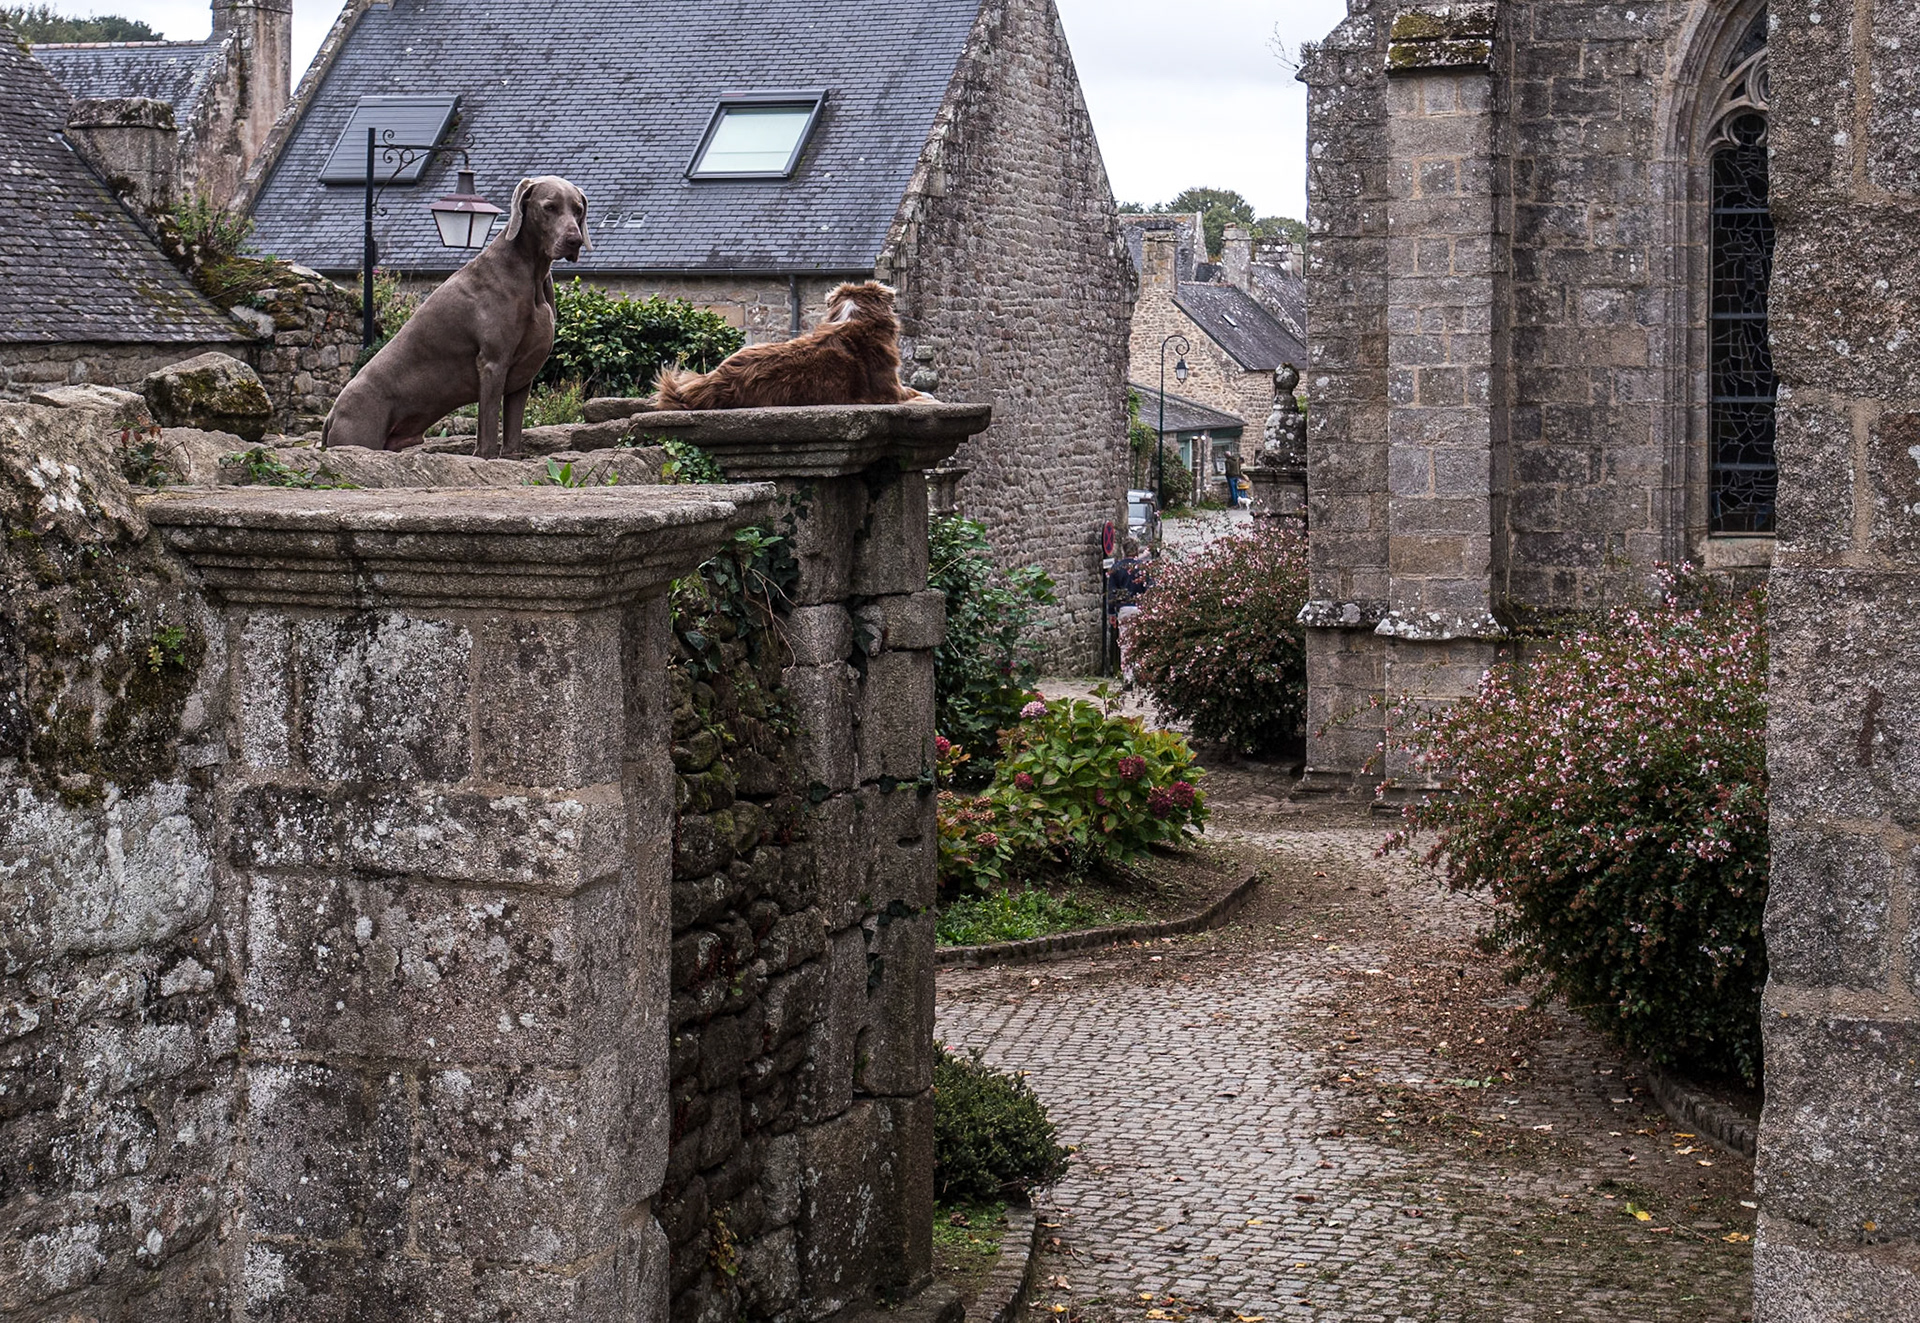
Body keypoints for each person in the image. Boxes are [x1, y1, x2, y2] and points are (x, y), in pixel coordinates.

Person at [1106, 540, 1152, 688]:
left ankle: (1128, 677)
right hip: (1140, 608)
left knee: (1126, 644)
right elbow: (1149, 590)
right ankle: (1140, 674)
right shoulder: (1143, 568)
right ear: (1137, 550)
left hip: (1124, 609)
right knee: (1140, 642)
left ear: (1123, 550)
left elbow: (1112, 593)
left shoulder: (1116, 568)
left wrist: (1111, 613)